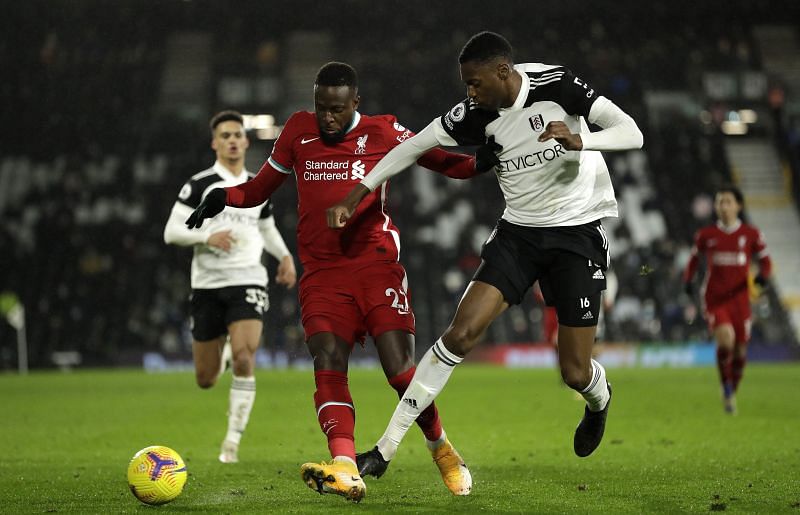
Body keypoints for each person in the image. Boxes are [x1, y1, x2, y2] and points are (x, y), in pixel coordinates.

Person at [327, 31, 644, 480]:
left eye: (474, 83)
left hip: (577, 234)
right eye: (465, 85)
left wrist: (582, 142)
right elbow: (411, 147)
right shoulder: (475, 114)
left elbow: (632, 133)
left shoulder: (557, 86)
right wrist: (357, 194)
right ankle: (383, 451)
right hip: (519, 234)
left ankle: (600, 399)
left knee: (574, 372)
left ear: (503, 71)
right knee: (461, 332)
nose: (469, 93)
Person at [185, 62, 493, 502]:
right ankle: (345, 465)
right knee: (326, 357)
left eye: (336, 109)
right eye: (320, 107)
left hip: (375, 265)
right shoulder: (297, 130)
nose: (327, 117)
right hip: (323, 274)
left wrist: (491, 156)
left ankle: (440, 446)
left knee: (400, 369)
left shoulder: (383, 132)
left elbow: (449, 164)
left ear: (355, 103)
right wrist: (223, 197)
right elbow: (257, 191)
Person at [163, 110, 297, 464]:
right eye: (225, 135)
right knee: (205, 379)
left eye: (237, 134)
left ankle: (232, 443)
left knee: (244, 356)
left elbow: (265, 226)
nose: (233, 140)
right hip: (207, 284)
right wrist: (207, 235)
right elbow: (172, 232)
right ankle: (220, 357)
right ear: (215, 143)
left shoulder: (256, 187)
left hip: (248, 279)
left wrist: (284, 256)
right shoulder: (199, 184)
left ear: (246, 141)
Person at [682, 185, 771, 414]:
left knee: (741, 351)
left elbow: (766, 261)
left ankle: (731, 390)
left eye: (728, 202)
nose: (723, 206)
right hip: (715, 298)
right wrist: (688, 281)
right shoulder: (706, 235)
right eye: (720, 202)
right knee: (726, 341)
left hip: (741, 301)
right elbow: (693, 260)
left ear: (738, 206)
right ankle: (727, 387)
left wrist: (762, 278)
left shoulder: (751, 234)